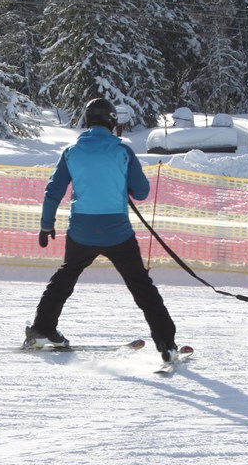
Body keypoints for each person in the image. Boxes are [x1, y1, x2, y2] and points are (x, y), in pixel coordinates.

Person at [25, 97, 180, 361]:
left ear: (87, 120)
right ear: (112, 122)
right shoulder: (123, 151)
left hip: (81, 230)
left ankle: (42, 329)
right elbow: (142, 192)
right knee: (141, 286)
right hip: (117, 232)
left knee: (65, 278)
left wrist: (46, 225)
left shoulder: (72, 151)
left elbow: (53, 192)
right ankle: (166, 343)